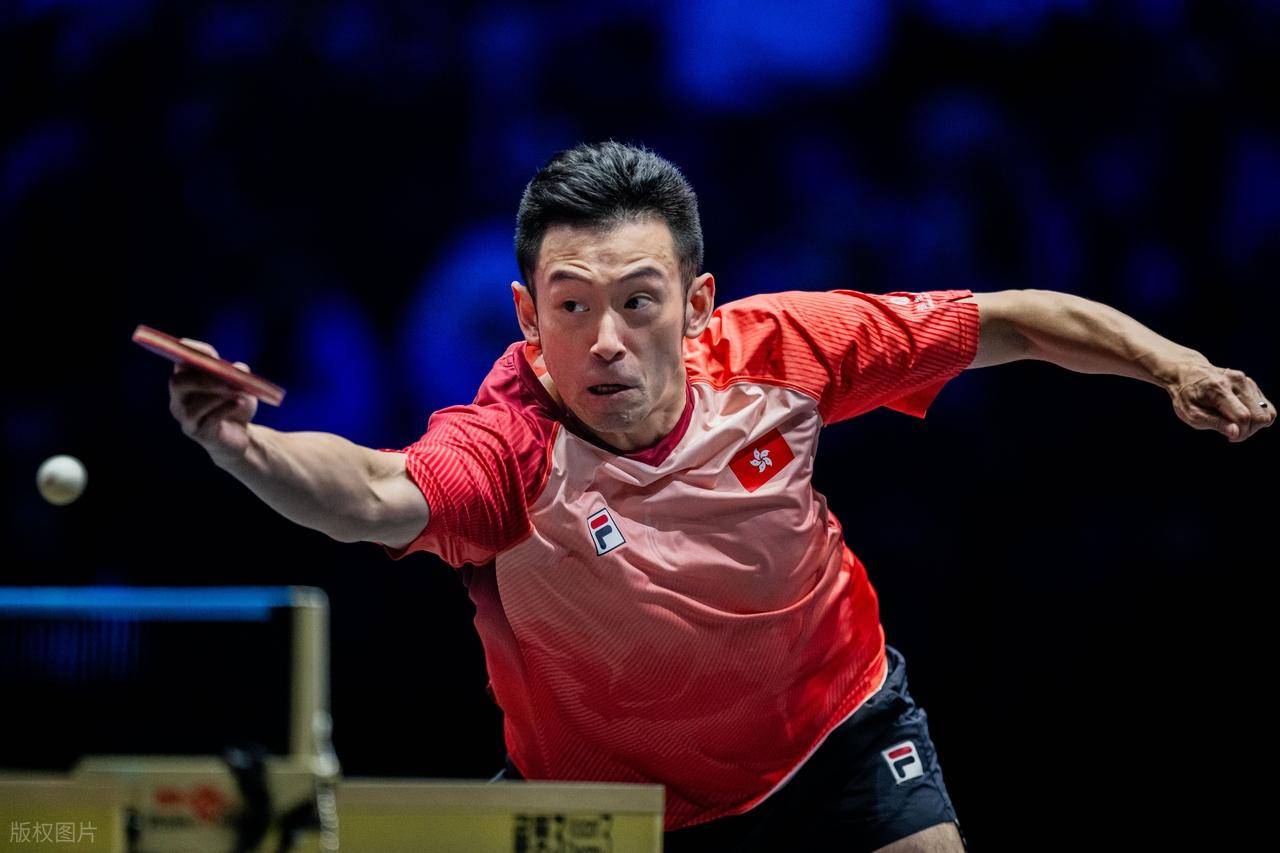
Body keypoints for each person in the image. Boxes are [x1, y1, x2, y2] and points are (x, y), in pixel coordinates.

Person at [168, 142, 1273, 852]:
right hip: (609, 806)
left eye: (638, 301)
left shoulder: (783, 349)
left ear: (696, 303)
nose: (605, 340)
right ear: (526, 315)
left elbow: (1013, 320)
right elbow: (372, 490)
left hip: (837, 732)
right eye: (570, 306)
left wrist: (1173, 364)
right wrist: (242, 446)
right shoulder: (507, 449)